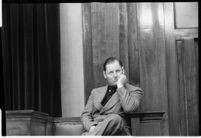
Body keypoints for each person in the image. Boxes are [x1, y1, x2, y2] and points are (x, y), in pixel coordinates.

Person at [81, 57, 143, 136]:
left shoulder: (134, 90)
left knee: (115, 118)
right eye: (111, 72)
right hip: (97, 129)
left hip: (118, 131)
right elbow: (85, 114)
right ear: (105, 74)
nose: (115, 75)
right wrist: (92, 127)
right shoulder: (95, 92)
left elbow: (129, 108)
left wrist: (120, 86)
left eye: (118, 71)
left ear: (123, 71)